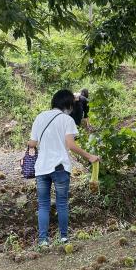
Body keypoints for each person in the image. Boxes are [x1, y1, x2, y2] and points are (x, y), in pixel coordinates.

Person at [28, 89, 99, 246]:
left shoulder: (40, 117)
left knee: (44, 204)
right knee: (61, 203)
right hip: (60, 167)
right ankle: (64, 237)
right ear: (68, 104)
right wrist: (90, 157)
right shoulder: (67, 120)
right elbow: (71, 145)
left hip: (42, 168)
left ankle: (43, 240)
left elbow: (32, 144)